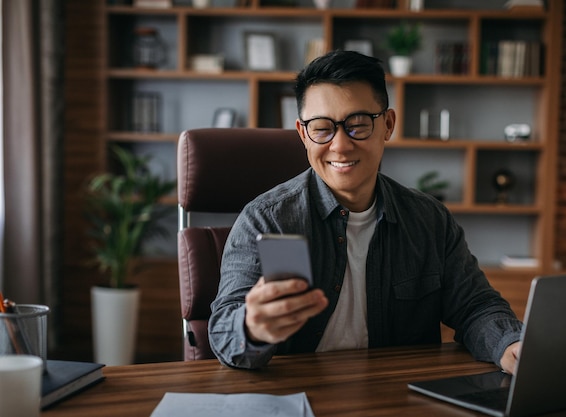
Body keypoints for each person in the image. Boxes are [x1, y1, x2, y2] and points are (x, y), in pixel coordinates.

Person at [208, 50, 522, 373]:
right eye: (321, 128)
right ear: (303, 134)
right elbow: (223, 333)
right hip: (297, 396)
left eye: (357, 125)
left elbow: (476, 306)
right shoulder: (265, 219)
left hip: (393, 398)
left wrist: (511, 344)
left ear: (387, 125)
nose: (340, 145)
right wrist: (251, 328)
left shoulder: (430, 221)